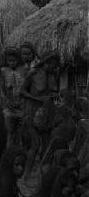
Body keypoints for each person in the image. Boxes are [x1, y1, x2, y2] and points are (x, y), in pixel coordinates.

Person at [20, 51, 60, 180]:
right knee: (35, 145)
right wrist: (37, 99)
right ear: (46, 63)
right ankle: (26, 174)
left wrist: (53, 97)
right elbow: (22, 91)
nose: (54, 68)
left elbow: (53, 92)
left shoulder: (53, 75)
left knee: (47, 146)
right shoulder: (33, 73)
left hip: (47, 114)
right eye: (52, 65)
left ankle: (41, 176)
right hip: (32, 112)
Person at [0, 47, 25, 148]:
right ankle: (9, 153)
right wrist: (7, 102)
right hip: (8, 107)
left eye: (14, 60)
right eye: (9, 61)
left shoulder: (24, 70)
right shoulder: (4, 71)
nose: (11, 63)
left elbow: (26, 88)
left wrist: (22, 102)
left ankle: (19, 152)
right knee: (10, 132)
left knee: (20, 133)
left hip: (21, 106)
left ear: (18, 60)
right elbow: (1, 89)